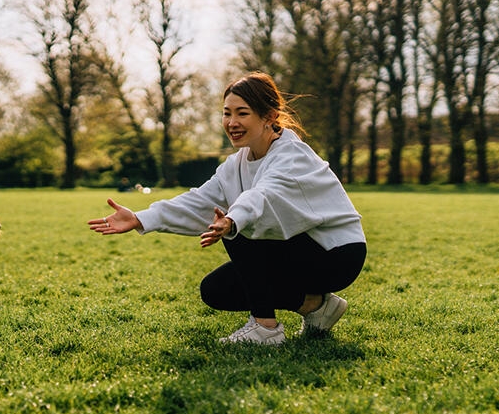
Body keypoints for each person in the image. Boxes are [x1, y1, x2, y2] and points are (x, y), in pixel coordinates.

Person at [87, 72, 366, 345]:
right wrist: (140, 218)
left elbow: (262, 196)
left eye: (242, 113)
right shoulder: (237, 163)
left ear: (269, 116)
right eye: (227, 113)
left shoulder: (292, 155)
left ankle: (265, 329)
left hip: (337, 255)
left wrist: (232, 220)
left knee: (241, 230)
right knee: (217, 290)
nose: (232, 122)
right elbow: (200, 200)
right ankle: (317, 307)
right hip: (298, 251)